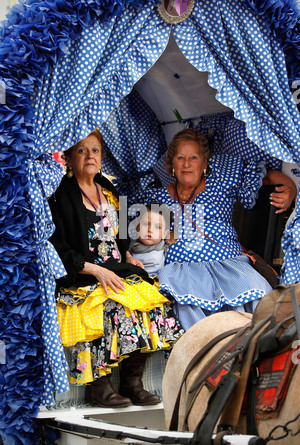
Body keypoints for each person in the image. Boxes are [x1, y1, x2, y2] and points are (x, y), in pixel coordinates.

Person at [48, 129, 184, 408]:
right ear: (70, 157)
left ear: (102, 157)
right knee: (112, 306)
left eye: (95, 150)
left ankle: (132, 383)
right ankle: (98, 387)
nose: (89, 156)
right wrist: (95, 271)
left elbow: (121, 236)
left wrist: (128, 254)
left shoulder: (111, 191)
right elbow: (57, 246)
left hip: (117, 268)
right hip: (82, 274)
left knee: (156, 303)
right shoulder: (59, 194)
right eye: (82, 150)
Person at [142, 129, 295, 331]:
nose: (187, 164)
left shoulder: (221, 182)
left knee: (257, 294)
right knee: (184, 309)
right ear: (172, 164)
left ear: (205, 163)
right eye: (180, 158)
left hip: (229, 264)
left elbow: (267, 176)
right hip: (181, 271)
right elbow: (139, 233)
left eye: (194, 157)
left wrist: (290, 189)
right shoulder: (156, 197)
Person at [128, 203, 170, 277]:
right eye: (146, 224)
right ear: (137, 227)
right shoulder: (130, 242)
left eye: (157, 227)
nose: (150, 230)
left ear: (164, 234)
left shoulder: (154, 259)